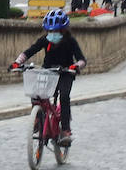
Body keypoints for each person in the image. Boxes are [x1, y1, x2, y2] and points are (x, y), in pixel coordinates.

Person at [10, 8, 87, 144]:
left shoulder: (70, 41)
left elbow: (82, 60)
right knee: (35, 93)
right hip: (48, 72)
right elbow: (29, 51)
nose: (53, 34)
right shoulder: (45, 40)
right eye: (50, 31)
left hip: (65, 73)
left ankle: (65, 130)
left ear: (63, 30)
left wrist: (76, 66)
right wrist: (17, 62)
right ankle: (38, 118)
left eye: (56, 31)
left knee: (64, 97)